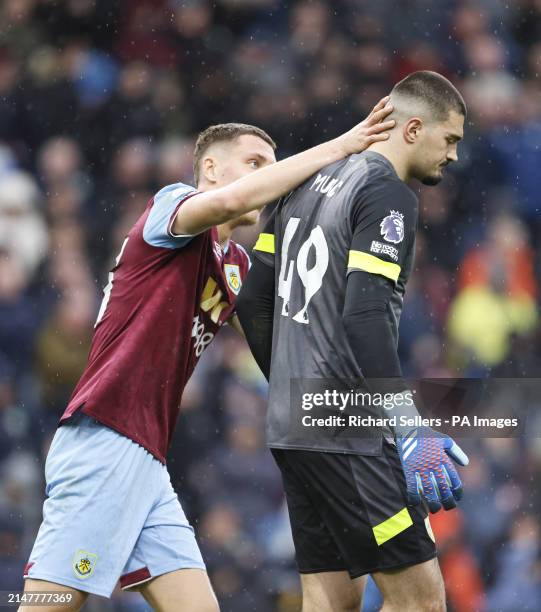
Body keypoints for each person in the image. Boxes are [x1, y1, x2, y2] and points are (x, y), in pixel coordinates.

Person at [21, 101, 395, 612]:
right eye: (256, 162)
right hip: (104, 440)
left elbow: (289, 340)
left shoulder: (236, 264)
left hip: (147, 458)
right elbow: (227, 203)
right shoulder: (170, 209)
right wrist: (342, 145)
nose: (268, 175)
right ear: (212, 169)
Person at [237, 71, 470, 612]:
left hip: (293, 429)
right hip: (349, 435)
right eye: (451, 139)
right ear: (413, 128)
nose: (455, 156)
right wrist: (407, 425)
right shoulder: (387, 192)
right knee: (420, 600)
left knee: (329, 601)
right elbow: (364, 318)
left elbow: (253, 300)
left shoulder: (302, 182)